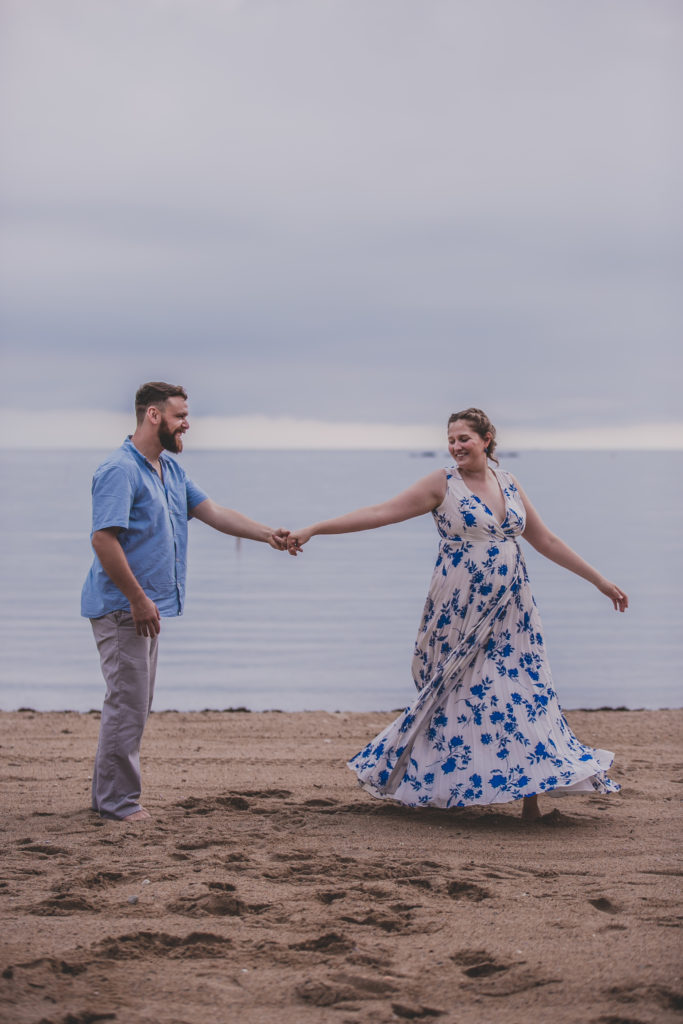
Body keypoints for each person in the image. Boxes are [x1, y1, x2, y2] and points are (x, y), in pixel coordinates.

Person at [288, 408, 628, 821]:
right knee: (461, 692)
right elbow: (380, 513)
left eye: (464, 438)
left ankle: (531, 801)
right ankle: (438, 787)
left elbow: (547, 540)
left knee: (524, 690)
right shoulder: (441, 484)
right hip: (459, 608)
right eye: (451, 440)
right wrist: (316, 528)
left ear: (487, 439)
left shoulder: (509, 482)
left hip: (514, 609)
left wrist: (599, 581)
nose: (455, 447)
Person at [81, 382, 289, 821]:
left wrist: (269, 534)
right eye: (180, 416)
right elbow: (103, 539)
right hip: (124, 609)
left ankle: (109, 799)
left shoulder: (169, 471)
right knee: (128, 705)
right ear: (154, 416)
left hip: (145, 609)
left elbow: (216, 514)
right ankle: (118, 804)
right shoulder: (120, 469)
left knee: (131, 704)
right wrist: (137, 599)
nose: (187, 425)